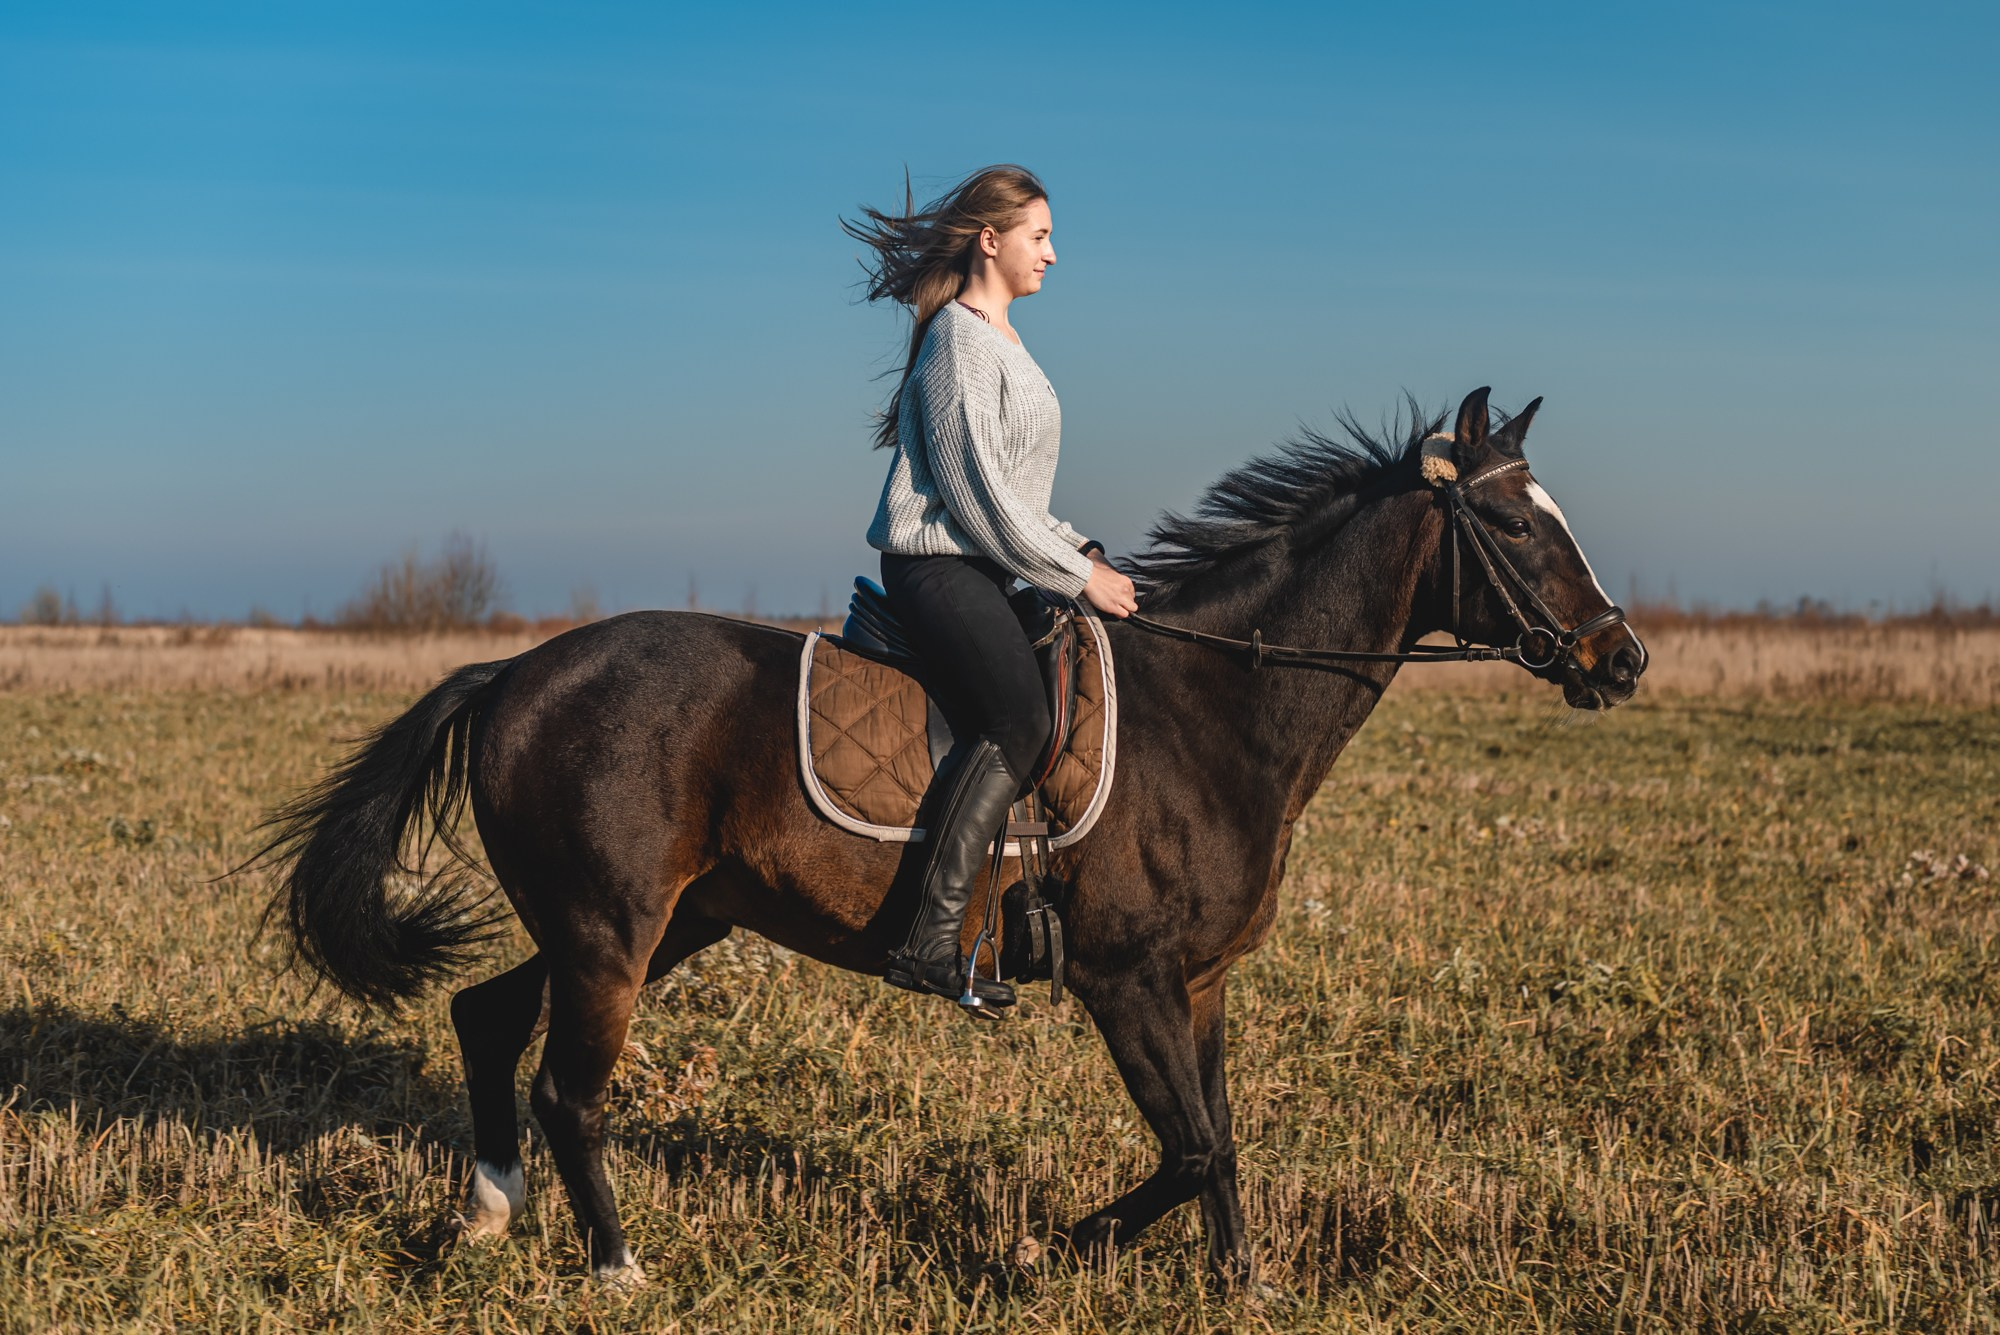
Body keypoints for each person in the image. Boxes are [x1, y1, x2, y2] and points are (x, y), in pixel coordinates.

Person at [845, 165, 1138, 1008]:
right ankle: (930, 938)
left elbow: (1017, 499)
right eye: (1040, 236)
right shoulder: (958, 341)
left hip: (986, 557)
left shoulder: (1004, 342)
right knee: (1019, 717)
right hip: (938, 564)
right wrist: (1077, 574)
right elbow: (976, 499)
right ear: (992, 239)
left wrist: (1082, 551)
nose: (1052, 253)